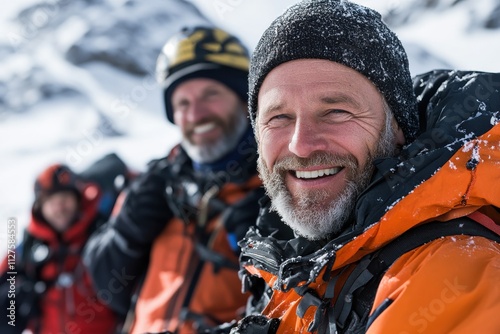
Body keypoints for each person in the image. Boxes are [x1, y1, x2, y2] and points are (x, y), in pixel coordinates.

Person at [228, 0, 500, 333]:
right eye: (278, 117)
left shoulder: (454, 273)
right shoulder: (298, 261)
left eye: (336, 112)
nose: (301, 144)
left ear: (398, 127)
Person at [83, 26, 265, 333]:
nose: (196, 114)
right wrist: (126, 236)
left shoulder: (281, 190)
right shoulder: (156, 184)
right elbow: (106, 291)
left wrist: (272, 255)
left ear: (245, 103)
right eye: (182, 103)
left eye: (211, 94)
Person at [0, 164, 118, 334]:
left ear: (78, 200)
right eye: (52, 202)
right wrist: (16, 296)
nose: (60, 208)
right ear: (40, 207)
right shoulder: (26, 249)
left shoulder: (103, 235)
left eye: (65, 199)